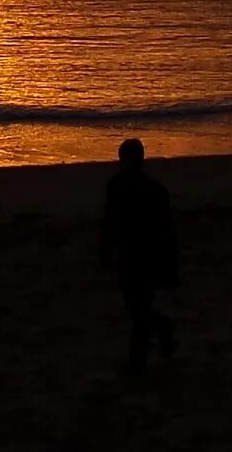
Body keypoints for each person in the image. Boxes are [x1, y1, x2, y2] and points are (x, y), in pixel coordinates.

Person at [100, 136, 178, 374]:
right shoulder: (120, 187)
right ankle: (161, 328)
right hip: (131, 253)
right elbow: (109, 223)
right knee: (136, 306)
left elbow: (166, 230)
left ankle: (138, 362)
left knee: (139, 309)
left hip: (143, 255)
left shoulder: (152, 191)